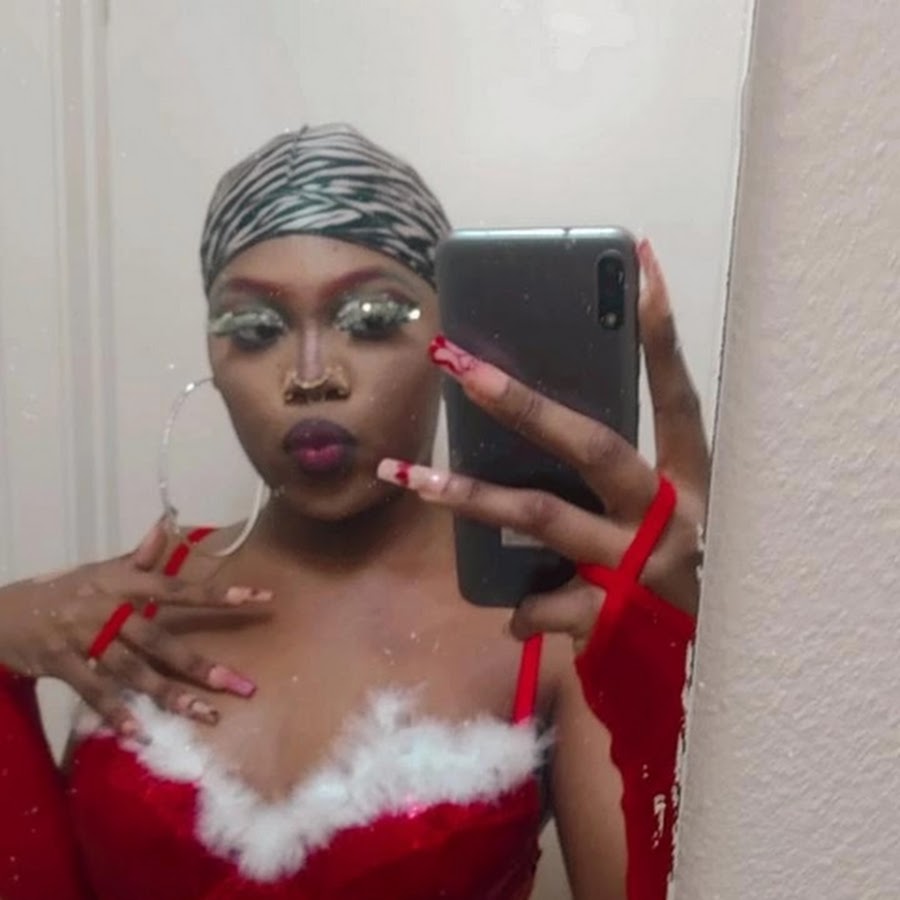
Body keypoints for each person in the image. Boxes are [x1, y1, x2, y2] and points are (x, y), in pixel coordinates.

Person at [0, 124, 708, 900]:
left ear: (451, 342)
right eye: (254, 329)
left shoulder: (554, 619)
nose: (311, 376)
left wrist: (681, 645)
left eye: (371, 318)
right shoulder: (138, 594)